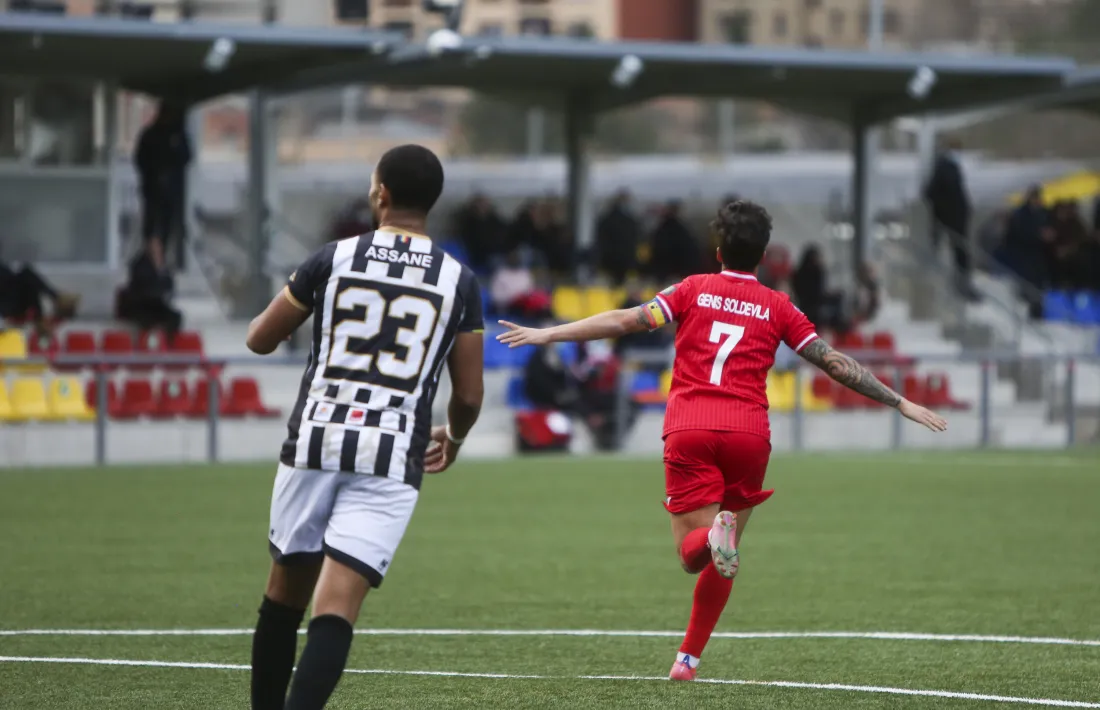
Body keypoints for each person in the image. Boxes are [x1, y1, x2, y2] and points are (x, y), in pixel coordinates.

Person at [496, 199, 946, 682]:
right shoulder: (779, 306)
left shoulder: (691, 289)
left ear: (718, 251)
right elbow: (833, 362)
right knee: (725, 556)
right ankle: (687, 660)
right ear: (764, 255)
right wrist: (899, 401)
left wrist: (548, 335)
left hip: (691, 425)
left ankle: (711, 543)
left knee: (695, 553)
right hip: (749, 435)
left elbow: (626, 321)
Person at [244, 144, 485, 710]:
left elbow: (259, 339)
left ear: (381, 193)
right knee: (337, 609)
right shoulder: (459, 280)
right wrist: (454, 437)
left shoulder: (334, 257)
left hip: (315, 438)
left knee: (284, 596)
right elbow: (469, 395)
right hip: (394, 452)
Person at [135, 101, 192, 268]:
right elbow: (140, 160)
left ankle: (160, 260)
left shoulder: (177, 135)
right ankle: (152, 261)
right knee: (152, 228)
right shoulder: (151, 134)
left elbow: (187, 157)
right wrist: (155, 173)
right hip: (154, 190)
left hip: (170, 191)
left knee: (166, 227)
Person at [924, 139, 979, 301]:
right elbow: (935, 193)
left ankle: (962, 283)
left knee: (960, 251)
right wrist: (948, 211)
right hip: (952, 218)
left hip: (953, 217)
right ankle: (961, 284)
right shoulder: (946, 169)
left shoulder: (947, 168)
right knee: (959, 251)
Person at [1004, 186, 1053, 320]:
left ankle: (1037, 311)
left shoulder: (1043, 213)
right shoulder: (1021, 214)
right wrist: (1038, 235)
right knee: (1028, 283)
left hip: (1039, 255)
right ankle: (1028, 311)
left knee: (1038, 284)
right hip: (1025, 254)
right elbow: (1018, 234)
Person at [117, 238, 182, 335]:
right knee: (148, 320)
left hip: (157, 304)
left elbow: (169, 285)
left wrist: (160, 270)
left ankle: (167, 341)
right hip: (141, 305)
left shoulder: (163, 266)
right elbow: (143, 287)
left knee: (175, 317)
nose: (156, 250)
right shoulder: (140, 265)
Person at [0, 256, 79, 331]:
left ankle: (54, 299)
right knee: (26, 275)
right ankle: (55, 298)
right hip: (10, 304)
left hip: (14, 299)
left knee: (26, 275)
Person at [790, 245, 846, 333]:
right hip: (813, 305)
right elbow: (818, 292)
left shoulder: (798, 272)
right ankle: (838, 326)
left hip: (805, 305)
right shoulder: (817, 271)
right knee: (839, 297)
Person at [595, 190, 640, 286]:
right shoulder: (630, 220)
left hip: (610, 259)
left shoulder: (606, 219)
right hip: (624, 258)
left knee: (612, 284)